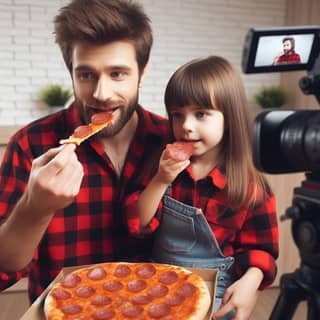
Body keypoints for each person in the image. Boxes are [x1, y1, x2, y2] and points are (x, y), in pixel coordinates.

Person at [0, 0, 169, 303]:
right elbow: (3, 267)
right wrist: (35, 208)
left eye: (118, 74)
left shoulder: (170, 140)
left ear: (142, 73)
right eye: (87, 75)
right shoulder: (30, 144)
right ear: (72, 74)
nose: (102, 94)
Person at [125, 56, 279, 319]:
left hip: (216, 299)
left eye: (201, 114)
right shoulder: (160, 167)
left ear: (228, 118)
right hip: (158, 290)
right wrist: (161, 180)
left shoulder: (252, 188)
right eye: (177, 115)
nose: (186, 126)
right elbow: (137, 224)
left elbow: (261, 251)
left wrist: (251, 281)